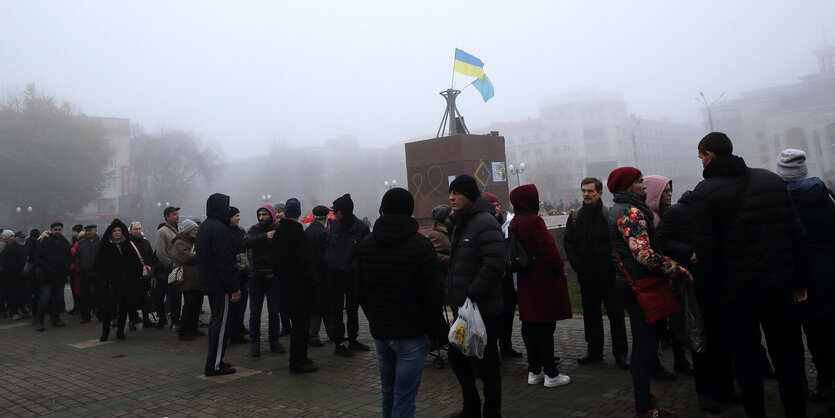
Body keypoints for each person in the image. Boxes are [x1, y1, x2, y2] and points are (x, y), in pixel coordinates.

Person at [690, 132, 808, 418]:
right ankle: (797, 411)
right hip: (778, 288)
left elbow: (707, 252)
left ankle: (756, 411)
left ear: (710, 156)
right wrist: (799, 281)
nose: (701, 163)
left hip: (736, 295)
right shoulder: (771, 181)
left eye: (701, 157)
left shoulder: (704, 193)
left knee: (745, 359)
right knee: (789, 355)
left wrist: (710, 293)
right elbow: (796, 235)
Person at [606, 167, 693, 418]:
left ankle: (645, 402)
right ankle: (643, 408)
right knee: (644, 350)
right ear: (628, 186)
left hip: (633, 285)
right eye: (640, 182)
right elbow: (644, 254)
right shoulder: (631, 213)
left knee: (644, 347)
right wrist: (678, 270)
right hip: (639, 287)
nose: (645, 186)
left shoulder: (626, 209)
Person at [357, 188, 443, 417]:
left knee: (389, 392)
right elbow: (433, 294)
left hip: (381, 333)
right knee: (404, 397)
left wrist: (374, 318)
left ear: (382, 210)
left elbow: (360, 290)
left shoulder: (365, 245)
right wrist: (435, 330)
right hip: (412, 334)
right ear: (410, 211)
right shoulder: (421, 245)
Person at [657, 190, 736, 414]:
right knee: (702, 342)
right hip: (696, 284)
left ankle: (727, 388)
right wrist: (688, 252)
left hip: (721, 283)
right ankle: (707, 393)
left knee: (723, 341)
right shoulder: (678, 212)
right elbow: (662, 238)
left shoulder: (713, 210)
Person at [776, 148, 835, 403]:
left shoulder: (781, 203)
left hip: (801, 282)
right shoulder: (827, 194)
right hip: (830, 276)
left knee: (812, 336)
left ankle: (823, 383)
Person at [446, 175, 507, 418]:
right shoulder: (462, 221)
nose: (451, 197)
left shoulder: (484, 222)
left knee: (488, 364)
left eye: (457, 193)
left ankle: (492, 411)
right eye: (450, 193)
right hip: (464, 310)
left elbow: (495, 264)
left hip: (484, 309)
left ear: (470, 196)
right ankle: (470, 408)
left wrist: (472, 292)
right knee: (457, 357)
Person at [509, 184, 572, 388]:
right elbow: (549, 250)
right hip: (542, 278)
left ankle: (534, 371)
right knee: (545, 327)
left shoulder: (515, 221)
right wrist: (559, 269)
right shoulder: (534, 221)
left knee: (529, 325)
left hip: (525, 278)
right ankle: (551, 375)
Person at [563, 177, 629, 369]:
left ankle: (621, 352)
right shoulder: (575, 217)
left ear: (600, 193)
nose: (586, 194)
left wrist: (609, 265)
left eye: (591, 191)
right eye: (584, 191)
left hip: (608, 276)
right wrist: (578, 266)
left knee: (616, 314)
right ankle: (594, 351)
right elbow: (569, 244)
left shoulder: (609, 214)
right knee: (590, 314)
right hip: (586, 276)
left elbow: (617, 244)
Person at [644, 174, 691, 378]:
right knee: (661, 324)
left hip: (671, 275)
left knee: (676, 321)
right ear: (655, 193)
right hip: (659, 277)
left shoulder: (665, 214)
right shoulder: (650, 218)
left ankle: (680, 361)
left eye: (671, 191)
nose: (670, 195)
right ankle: (659, 364)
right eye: (665, 191)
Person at [272, 198, 319, 374]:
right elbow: (305, 263)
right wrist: (313, 281)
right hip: (300, 288)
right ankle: (298, 361)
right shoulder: (298, 233)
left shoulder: (278, 232)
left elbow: (274, 261)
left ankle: (300, 358)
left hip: (284, 286)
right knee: (301, 325)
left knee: (296, 325)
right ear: (298, 213)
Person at [197, 193, 241, 377]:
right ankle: (214, 365)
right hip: (220, 284)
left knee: (218, 321)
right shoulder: (219, 229)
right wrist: (233, 287)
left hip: (210, 282)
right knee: (221, 324)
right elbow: (224, 261)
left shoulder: (205, 227)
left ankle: (217, 361)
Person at [324, 193, 371, 357]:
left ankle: (353, 339)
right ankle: (339, 343)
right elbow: (328, 246)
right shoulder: (334, 225)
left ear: (344, 211)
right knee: (336, 310)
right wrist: (330, 263)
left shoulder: (361, 228)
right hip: (335, 276)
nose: (334, 214)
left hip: (353, 276)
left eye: (336, 211)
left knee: (352, 309)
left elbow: (364, 253)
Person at [483, 192, 523, 359]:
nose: (497, 208)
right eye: (493, 206)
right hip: (493, 280)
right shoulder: (484, 224)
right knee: (493, 321)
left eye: (498, 205)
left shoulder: (506, 223)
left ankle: (506, 346)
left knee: (507, 315)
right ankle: (491, 352)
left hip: (507, 277)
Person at [243, 203, 284, 357]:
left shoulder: (278, 229)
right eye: (259, 215)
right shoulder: (254, 230)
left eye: (264, 214)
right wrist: (264, 237)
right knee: (255, 312)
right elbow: (245, 243)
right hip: (256, 275)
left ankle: (274, 341)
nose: (261, 218)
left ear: (271, 215)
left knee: (274, 312)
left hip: (273, 276)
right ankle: (255, 343)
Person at [95, 219, 143, 341]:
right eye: (114, 231)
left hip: (126, 282)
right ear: (110, 232)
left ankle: (120, 332)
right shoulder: (105, 246)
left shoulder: (127, 244)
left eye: (119, 230)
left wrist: (133, 275)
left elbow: (135, 263)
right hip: (111, 283)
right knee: (109, 309)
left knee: (124, 308)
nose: (117, 233)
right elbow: (99, 265)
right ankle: (105, 333)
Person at [34, 222, 72, 332]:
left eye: (60, 229)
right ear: (51, 230)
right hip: (47, 276)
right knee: (44, 299)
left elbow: (69, 257)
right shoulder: (45, 242)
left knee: (58, 299)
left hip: (60, 276)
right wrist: (47, 267)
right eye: (56, 229)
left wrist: (66, 269)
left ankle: (56, 319)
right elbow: (38, 258)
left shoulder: (64, 242)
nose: (58, 231)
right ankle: (40, 321)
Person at [171, 219, 202, 341]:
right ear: (188, 230)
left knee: (196, 305)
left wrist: (195, 254)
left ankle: (193, 329)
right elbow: (186, 257)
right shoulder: (179, 242)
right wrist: (197, 254)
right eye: (194, 229)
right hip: (188, 280)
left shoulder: (193, 241)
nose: (196, 231)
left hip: (196, 279)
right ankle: (184, 331)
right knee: (189, 306)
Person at [306, 205, 330, 347]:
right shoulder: (322, 233)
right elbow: (324, 258)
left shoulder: (307, 231)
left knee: (316, 306)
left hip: (309, 275)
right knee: (322, 306)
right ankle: (314, 335)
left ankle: (316, 334)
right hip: (321, 276)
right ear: (325, 218)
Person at [154, 206, 180, 329]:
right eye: (174, 214)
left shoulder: (179, 229)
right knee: (161, 294)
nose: (177, 216)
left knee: (176, 296)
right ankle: (162, 318)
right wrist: (170, 265)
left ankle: (175, 320)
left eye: (177, 214)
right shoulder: (162, 231)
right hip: (166, 270)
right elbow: (160, 252)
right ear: (167, 217)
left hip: (178, 269)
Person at [227, 206, 250, 344]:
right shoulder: (226, 232)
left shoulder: (239, 231)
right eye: (236, 215)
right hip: (234, 273)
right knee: (234, 305)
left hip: (243, 273)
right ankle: (234, 333)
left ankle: (239, 326)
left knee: (243, 301)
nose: (239, 218)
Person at [128, 222, 157, 329]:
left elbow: (151, 257)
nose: (138, 231)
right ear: (131, 230)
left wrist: (150, 267)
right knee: (132, 300)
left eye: (139, 229)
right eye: (135, 229)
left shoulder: (146, 242)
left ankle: (146, 319)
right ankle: (132, 320)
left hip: (145, 277)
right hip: (133, 277)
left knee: (146, 299)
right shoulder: (127, 244)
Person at [75, 225, 100, 324]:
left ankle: (101, 314)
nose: (88, 233)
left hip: (97, 272)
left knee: (99, 295)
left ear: (95, 231)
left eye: (90, 231)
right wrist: (80, 265)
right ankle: (85, 316)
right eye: (87, 231)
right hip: (84, 273)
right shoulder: (81, 243)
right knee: (85, 295)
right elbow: (76, 256)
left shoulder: (100, 241)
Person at [2, 231, 28, 320]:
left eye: (24, 237)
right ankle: (13, 312)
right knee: (14, 295)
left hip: (23, 275)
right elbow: (6, 262)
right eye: (21, 237)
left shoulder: (24, 246)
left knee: (23, 294)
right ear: (16, 238)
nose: (23, 239)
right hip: (13, 276)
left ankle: (23, 309)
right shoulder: (10, 248)